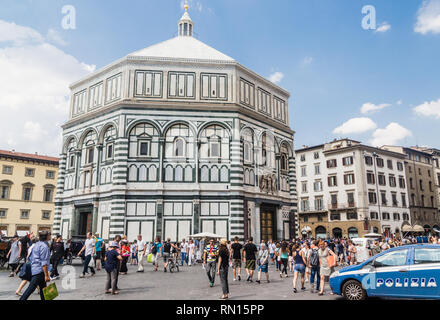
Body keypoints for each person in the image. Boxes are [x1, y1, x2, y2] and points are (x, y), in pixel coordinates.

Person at [19, 231, 51, 300]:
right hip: (40, 271)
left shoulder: (37, 244)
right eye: (49, 235)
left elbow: (30, 257)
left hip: (35, 268)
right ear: (46, 236)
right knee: (30, 289)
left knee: (43, 290)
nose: (50, 236)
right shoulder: (44, 246)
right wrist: (46, 275)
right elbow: (44, 262)